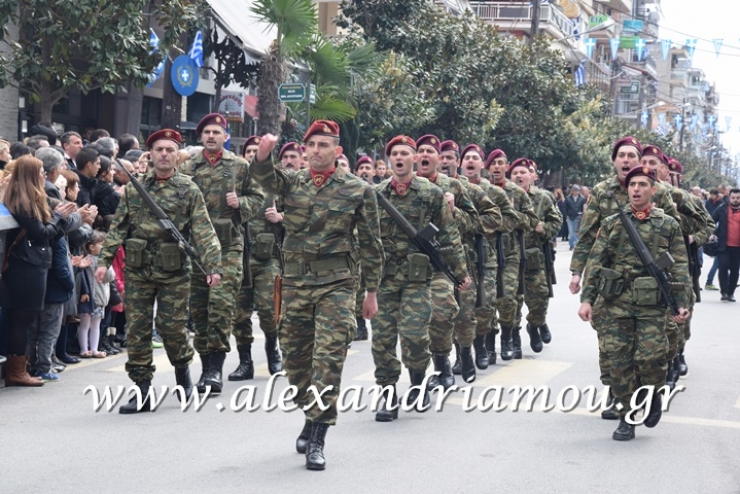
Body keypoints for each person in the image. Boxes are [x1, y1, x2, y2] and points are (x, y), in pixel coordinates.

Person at [250, 120, 383, 471]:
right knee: (294, 362)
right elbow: (265, 178)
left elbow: (371, 244)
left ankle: (319, 435)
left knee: (327, 360)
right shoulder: (292, 183)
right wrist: (263, 155)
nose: (317, 151)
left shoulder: (358, 190)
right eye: (312, 145)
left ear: (337, 152)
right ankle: (311, 413)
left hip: (337, 285)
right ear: (305, 150)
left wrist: (371, 293)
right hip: (294, 283)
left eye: (324, 145)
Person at [95, 129, 222, 414]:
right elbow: (119, 228)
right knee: (137, 331)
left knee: (172, 328)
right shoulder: (136, 188)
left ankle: (182, 374)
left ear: (177, 155)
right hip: (139, 270)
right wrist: (104, 260)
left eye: (169, 149)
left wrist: (213, 266)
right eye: (159, 149)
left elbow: (204, 231)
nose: (164, 154)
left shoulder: (188, 190)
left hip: (174, 271)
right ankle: (142, 390)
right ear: (150, 155)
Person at [569, 136, 681, 419]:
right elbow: (587, 239)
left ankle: (649, 391)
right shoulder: (602, 192)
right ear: (615, 160)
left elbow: (672, 238)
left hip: (651, 286)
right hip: (613, 285)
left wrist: (680, 296)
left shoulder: (661, 194)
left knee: (650, 353)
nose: (627, 160)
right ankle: (619, 399)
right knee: (612, 349)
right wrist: (578, 274)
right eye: (622, 155)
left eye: (633, 155)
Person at [372, 135, 470, 421]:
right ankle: (387, 395)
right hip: (385, 278)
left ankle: (417, 383)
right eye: (395, 154)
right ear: (389, 160)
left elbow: (450, 235)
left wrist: (460, 272)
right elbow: (363, 237)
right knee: (382, 340)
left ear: (414, 159)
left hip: (418, 279)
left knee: (415, 337)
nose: (399, 158)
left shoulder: (430, 193)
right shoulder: (377, 194)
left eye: (405, 153)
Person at [180, 113, 264, 394]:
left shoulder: (239, 166)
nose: (211, 136)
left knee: (221, 307)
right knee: (200, 310)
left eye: (217, 131)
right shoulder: (188, 167)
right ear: (200, 137)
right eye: (206, 132)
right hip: (197, 250)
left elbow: (258, 198)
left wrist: (240, 203)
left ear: (226, 136)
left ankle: (215, 368)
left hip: (229, 247)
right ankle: (206, 367)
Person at [1, 156, 76, 386]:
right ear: (31, 175)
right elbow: (42, 233)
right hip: (27, 266)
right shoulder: (24, 201)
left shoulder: (23, 198)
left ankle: (19, 369)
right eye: (41, 171)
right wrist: (59, 217)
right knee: (22, 319)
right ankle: (17, 371)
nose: (44, 174)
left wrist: (58, 218)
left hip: (30, 265)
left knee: (23, 319)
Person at [414, 134, 479, 384]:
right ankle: (438, 368)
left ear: (439, 158)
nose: (425, 155)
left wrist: (454, 211)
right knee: (421, 321)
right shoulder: (405, 186)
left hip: (448, 260)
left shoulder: (453, 186)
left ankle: (463, 354)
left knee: (453, 314)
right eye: (420, 150)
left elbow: (475, 222)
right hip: (412, 265)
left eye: (431, 150)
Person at [437, 140, 502, 376]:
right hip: (443, 260)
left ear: (458, 162)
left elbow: (494, 219)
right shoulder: (427, 189)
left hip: (474, 259)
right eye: (441, 157)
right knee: (449, 312)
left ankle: (479, 347)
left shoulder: (471, 191)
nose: (445, 162)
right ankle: (457, 355)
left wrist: (460, 218)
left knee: (479, 310)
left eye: (450, 158)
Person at [485, 149, 539, 360]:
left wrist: (511, 216)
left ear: (506, 167)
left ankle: (507, 337)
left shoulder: (517, 193)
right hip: (485, 253)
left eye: (501, 163)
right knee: (486, 301)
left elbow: (531, 221)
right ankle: (488, 344)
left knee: (507, 297)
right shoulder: (481, 190)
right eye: (493, 163)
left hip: (510, 253)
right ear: (487, 167)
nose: (497, 167)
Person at [509, 159, 562, 354]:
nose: (519, 176)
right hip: (508, 257)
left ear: (531, 176)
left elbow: (557, 220)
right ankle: (513, 337)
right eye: (515, 172)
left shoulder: (542, 198)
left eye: (523, 172)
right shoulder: (501, 196)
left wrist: (544, 228)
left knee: (540, 297)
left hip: (534, 257)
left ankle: (535, 324)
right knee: (511, 301)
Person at [77, 231, 113, 358]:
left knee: (96, 324)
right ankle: (83, 349)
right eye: (102, 244)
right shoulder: (87, 260)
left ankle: (94, 349)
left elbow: (110, 277)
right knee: (85, 323)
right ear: (91, 247)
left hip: (100, 298)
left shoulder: (104, 260)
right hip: (89, 298)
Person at [711, 188, 740, 302]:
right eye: (733, 198)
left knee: (734, 270)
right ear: (729, 197)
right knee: (722, 267)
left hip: (737, 247)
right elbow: (711, 221)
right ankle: (724, 292)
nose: (735, 200)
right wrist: (712, 233)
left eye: (738, 198)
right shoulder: (722, 208)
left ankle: (731, 293)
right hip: (723, 245)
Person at [564, 184, 585, 250]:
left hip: (578, 217)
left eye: (577, 190)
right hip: (570, 217)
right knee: (571, 232)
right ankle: (571, 244)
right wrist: (566, 215)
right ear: (572, 191)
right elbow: (564, 207)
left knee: (576, 232)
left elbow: (583, 207)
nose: (575, 192)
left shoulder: (582, 198)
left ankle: (577, 244)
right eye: (574, 190)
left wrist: (582, 214)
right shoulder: (568, 198)